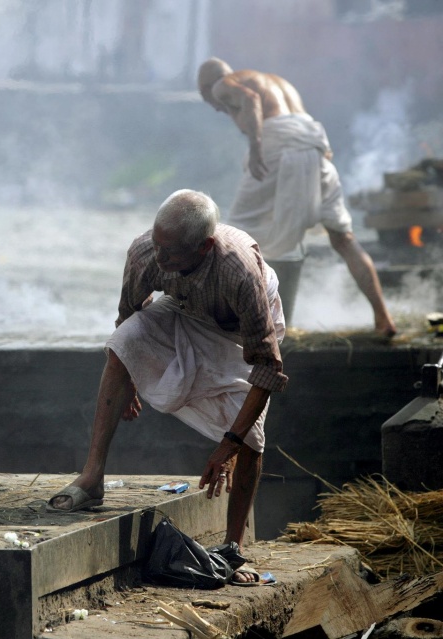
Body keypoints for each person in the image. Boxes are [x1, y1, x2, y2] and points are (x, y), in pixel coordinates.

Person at [46, 189, 286, 585]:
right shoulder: (146, 252)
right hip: (185, 309)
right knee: (124, 341)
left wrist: (228, 444)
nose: (161, 259)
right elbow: (128, 318)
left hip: (239, 333)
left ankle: (233, 549)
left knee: (251, 440)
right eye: (158, 244)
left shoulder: (239, 272)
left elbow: (267, 369)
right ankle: (91, 477)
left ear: (205, 246)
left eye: (171, 252)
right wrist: (133, 378)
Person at [197, 57, 396, 336]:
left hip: (276, 151)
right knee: (343, 238)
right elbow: (302, 124)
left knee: (232, 239)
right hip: (314, 150)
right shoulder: (280, 84)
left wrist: (255, 146)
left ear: (206, 87)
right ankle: (384, 318)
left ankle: (222, 326)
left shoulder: (222, 84)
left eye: (209, 101)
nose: (217, 107)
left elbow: (251, 99)